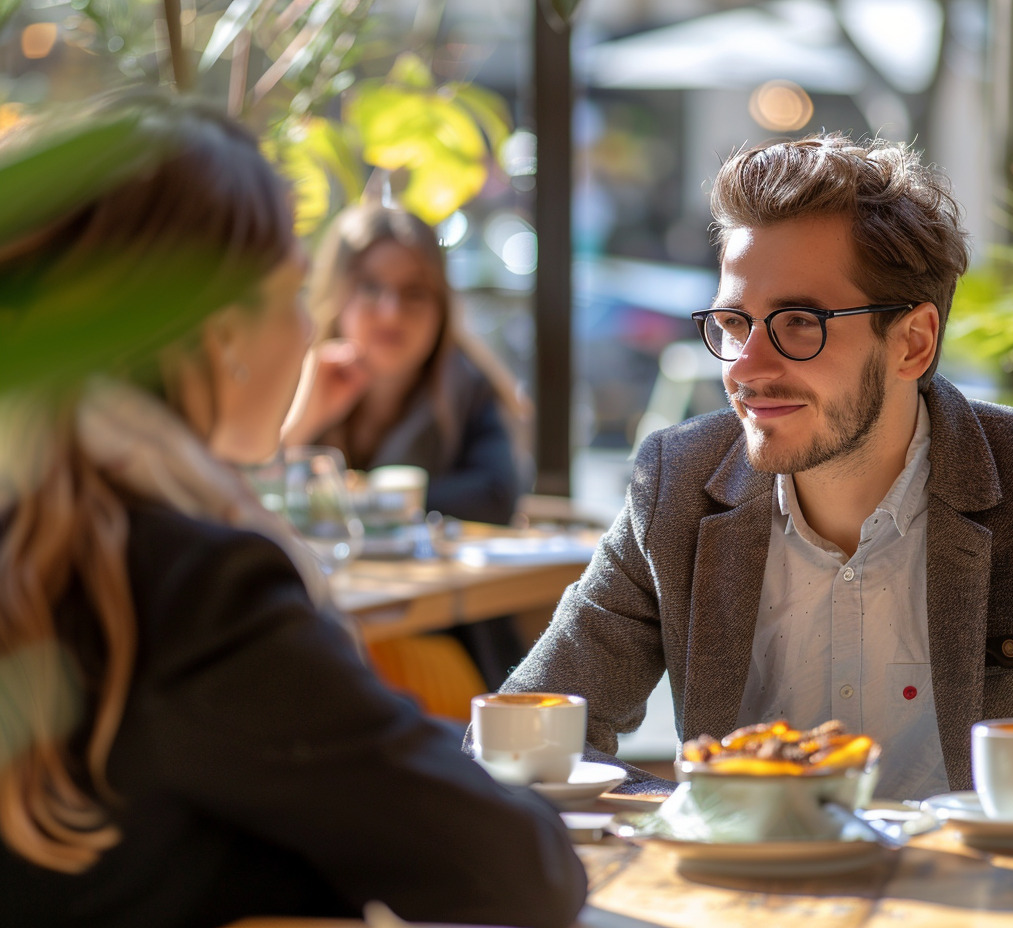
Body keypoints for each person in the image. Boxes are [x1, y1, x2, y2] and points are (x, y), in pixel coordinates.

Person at [498, 132, 1013, 824]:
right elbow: (519, 743)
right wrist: (714, 820)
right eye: (732, 322)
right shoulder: (677, 485)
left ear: (912, 343)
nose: (745, 368)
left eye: (796, 323)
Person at [0, 93, 585, 928]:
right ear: (214, 328)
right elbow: (518, 870)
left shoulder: (43, 518)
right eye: (289, 288)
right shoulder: (193, 589)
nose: (307, 327)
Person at [285, 202, 530, 526]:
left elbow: (495, 498)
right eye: (371, 287)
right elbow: (243, 494)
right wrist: (300, 425)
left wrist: (366, 498)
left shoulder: (469, 389)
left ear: (441, 308)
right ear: (336, 295)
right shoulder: (291, 375)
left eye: (414, 292)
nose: (391, 312)